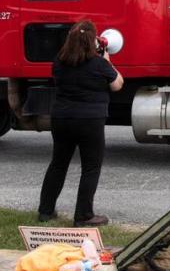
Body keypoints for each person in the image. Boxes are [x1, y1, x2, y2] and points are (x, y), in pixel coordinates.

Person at [38, 20, 123, 227]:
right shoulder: (100, 64)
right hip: (89, 121)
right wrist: (108, 60)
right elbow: (117, 84)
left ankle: (45, 211)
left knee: (58, 164)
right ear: (92, 41)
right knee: (90, 168)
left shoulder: (59, 61)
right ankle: (83, 215)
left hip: (61, 119)